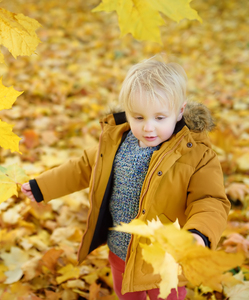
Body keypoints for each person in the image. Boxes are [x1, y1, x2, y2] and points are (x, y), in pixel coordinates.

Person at [21, 58, 230, 300]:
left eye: (160, 118)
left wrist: (199, 233)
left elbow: (210, 200)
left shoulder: (196, 155)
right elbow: (82, 167)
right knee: (127, 295)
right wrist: (41, 186)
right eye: (139, 118)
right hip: (121, 248)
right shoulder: (116, 143)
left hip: (164, 256)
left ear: (180, 111)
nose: (148, 128)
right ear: (127, 113)